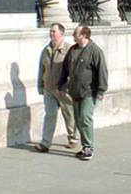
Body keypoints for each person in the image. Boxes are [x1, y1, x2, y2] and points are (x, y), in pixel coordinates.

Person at [57, 25, 107, 161]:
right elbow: (65, 68)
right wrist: (60, 84)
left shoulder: (95, 51)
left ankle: (89, 146)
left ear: (83, 35)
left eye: (75, 33)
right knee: (78, 120)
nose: (73, 35)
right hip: (75, 90)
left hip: (89, 91)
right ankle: (85, 146)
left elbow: (102, 70)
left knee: (85, 117)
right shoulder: (73, 50)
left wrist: (101, 90)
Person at [35, 23, 77, 152]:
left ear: (61, 33)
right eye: (50, 31)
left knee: (69, 114)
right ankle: (45, 143)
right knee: (50, 115)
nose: (51, 34)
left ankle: (73, 138)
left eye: (54, 31)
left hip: (63, 89)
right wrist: (40, 85)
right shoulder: (46, 50)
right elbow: (42, 69)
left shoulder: (69, 50)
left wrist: (70, 86)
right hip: (49, 89)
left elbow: (73, 70)